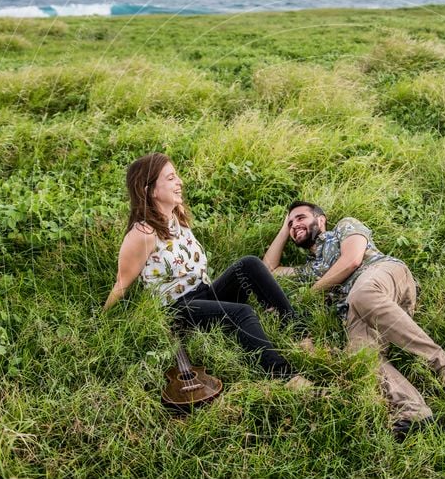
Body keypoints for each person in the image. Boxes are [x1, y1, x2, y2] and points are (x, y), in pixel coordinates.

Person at [263, 201, 445, 440]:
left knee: (361, 294)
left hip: (383, 276)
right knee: (360, 357)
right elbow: (268, 269)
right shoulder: (310, 269)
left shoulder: (344, 227)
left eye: (300, 218)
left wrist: (313, 291)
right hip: (356, 309)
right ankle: (415, 412)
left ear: (321, 219)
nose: (295, 225)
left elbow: (352, 260)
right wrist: (283, 226)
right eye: (291, 223)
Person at [104, 153, 310, 389]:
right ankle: (284, 376)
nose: (179, 182)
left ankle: (301, 336)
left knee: (250, 264)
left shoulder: (176, 215)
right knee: (242, 312)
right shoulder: (143, 234)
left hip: (204, 294)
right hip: (178, 311)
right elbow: (121, 285)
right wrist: (104, 324)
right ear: (150, 190)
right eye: (171, 178)